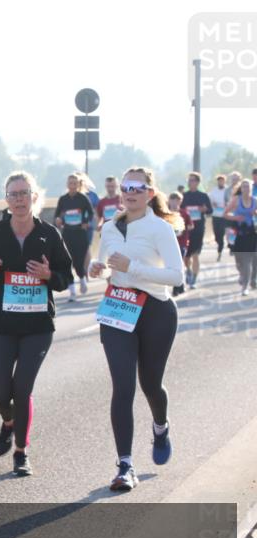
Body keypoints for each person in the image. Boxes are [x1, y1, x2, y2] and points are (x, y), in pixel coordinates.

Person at [0, 172, 73, 476]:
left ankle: (21, 452)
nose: (19, 199)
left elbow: (65, 278)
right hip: (1, 326)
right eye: (13, 194)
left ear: (35, 197)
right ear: (6, 199)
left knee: (23, 388)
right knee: (1, 394)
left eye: (24, 193)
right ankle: (8, 421)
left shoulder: (50, 234)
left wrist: (48, 276)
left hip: (37, 327)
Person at [90, 167, 184, 491]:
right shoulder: (110, 226)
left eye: (137, 187)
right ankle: (125, 465)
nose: (130, 192)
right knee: (123, 385)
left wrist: (135, 268)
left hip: (156, 311)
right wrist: (96, 268)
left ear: (150, 192)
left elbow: (177, 276)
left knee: (151, 384)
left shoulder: (160, 229)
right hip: (119, 309)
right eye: (126, 186)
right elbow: (104, 264)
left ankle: (161, 426)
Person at [54, 173, 94, 299]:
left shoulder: (83, 198)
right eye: (70, 183)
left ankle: (82, 279)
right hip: (67, 233)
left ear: (78, 185)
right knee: (68, 261)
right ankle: (72, 291)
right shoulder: (63, 199)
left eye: (75, 183)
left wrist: (86, 222)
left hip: (80, 233)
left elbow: (91, 213)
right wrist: (58, 220)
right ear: (67, 185)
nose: (72, 186)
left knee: (78, 261)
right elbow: (57, 215)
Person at [225, 178, 256, 295]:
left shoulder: (255, 201)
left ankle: (245, 286)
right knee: (239, 261)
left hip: (252, 233)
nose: (246, 189)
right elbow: (225, 214)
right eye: (243, 186)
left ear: (251, 188)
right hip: (238, 233)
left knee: (248, 260)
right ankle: (244, 276)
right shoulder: (236, 200)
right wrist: (235, 218)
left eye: (248, 186)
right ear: (241, 189)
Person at [181, 171, 212, 289]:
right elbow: (179, 209)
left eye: (193, 180)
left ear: (198, 182)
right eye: (189, 180)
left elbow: (210, 211)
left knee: (195, 254)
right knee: (186, 255)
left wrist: (204, 209)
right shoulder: (184, 196)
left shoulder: (203, 196)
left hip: (199, 227)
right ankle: (188, 270)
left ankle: (193, 278)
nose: (190, 182)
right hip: (186, 228)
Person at [167, 191, 191, 297]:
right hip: (170, 243)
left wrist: (182, 227)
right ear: (169, 201)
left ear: (180, 201)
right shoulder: (166, 213)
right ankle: (180, 285)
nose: (175, 203)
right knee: (173, 265)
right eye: (172, 200)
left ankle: (176, 288)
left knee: (179, 263)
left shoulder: (184, 213)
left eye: (177, 200)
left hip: (182, 242)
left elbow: (191, 225)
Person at [209, 174, 230, 261]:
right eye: (219, 180)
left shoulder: (227, 190)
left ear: (224, 181)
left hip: (224, 215)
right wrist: (213, 203)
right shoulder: (213, 191)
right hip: (216, 215)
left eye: (222, 180)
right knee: (216, 234)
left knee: (221, 233)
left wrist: (227, 205)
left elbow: (231, 200)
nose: (220, 182)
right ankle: (219, 243)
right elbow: (210, 200)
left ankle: (220, 250)